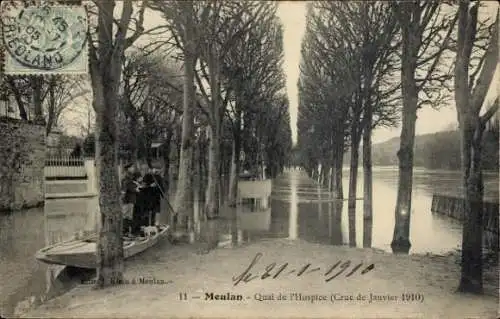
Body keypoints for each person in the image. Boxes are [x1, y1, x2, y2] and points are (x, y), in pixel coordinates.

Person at [120, 163, 140, 237]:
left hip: (130, 199)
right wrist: (135, 189)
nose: (133, 169)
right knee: (127, 216)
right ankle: (125, 233)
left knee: (128, 216)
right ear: (128, 168)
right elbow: (126, 186)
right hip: (128, 199)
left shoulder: (129, 176)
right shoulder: (126, 177)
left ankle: (127, 232)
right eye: (132, 167)